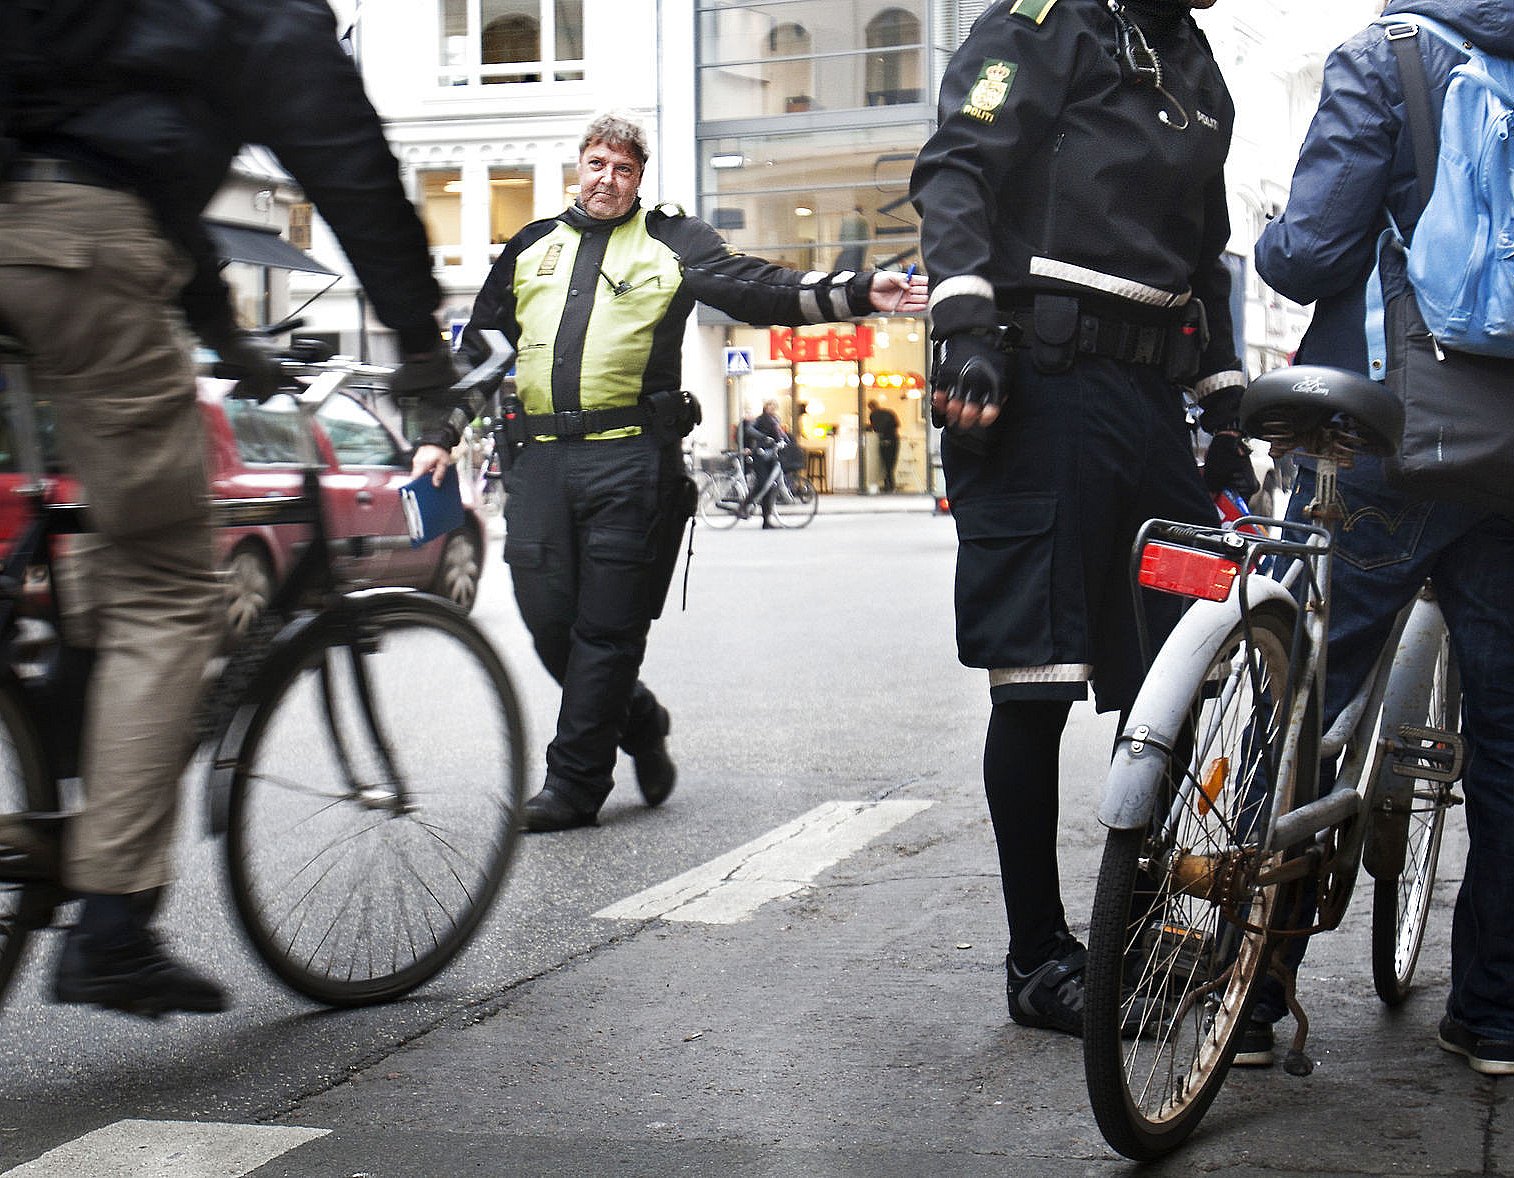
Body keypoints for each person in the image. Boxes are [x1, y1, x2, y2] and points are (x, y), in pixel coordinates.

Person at [0, 0, 457, 1017]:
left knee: (105, 544)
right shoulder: (266, 14)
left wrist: (217, 327)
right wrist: (420, 349)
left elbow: (128, 161)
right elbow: (352, 174)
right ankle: (112, 922)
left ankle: (62, 745)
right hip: (78, 255)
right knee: (168, 586)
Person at [428, 113, 926, 834]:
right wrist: (442, 433)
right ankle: (640, 719)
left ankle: (573, 784)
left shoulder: (673, 242)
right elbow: (481, 349)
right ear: (580, 165)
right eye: (597, 163)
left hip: (630, 462)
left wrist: (856, 292)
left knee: (606, 631)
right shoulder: (531, 245)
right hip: (537, 462)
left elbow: (760, 287)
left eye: (623, 169)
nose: (607, 178)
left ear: (638, 178)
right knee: (548, 627)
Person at [910, 0, 1247, 1036]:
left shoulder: (1195, 66)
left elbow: (1203, 254)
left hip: (1149, 406)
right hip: (1038, 383)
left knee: (1175, 669)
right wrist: (963, 322)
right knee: (1036, 684)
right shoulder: (1040, 26)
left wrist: (1225, 407)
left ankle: (1134, 921)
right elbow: (956, 168)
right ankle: (1037, 956)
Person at [1246, 0, 1514, 1076]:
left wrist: (1272, 244)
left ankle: (1247, 993)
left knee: (1300, 705)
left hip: (1378, 439)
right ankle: (1496, 1015)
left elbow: (1310, 251)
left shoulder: (1388, 55)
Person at [736, 399, 789, 527]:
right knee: (762, 482)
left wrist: (786, 441)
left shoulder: (775, 419)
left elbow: (780, 434)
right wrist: (763, 438)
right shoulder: (760, 419)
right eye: (770, 406)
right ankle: (743, 507)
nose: (772, 408)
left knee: (770, 487)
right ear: (765, 407)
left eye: (774, 406)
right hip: (760, 454)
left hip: (771, 455)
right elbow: (749, 430)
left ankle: (766, 520)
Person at [867, 397, 900, 493]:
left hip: (883, 440)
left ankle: (888, 484)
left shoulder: (873, 415)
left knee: (885, 464)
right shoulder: (889, 412)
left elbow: (876, 428)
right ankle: (890, 484)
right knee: (891, 463)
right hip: (894, 439)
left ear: (870, 407)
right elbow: (897, 424)